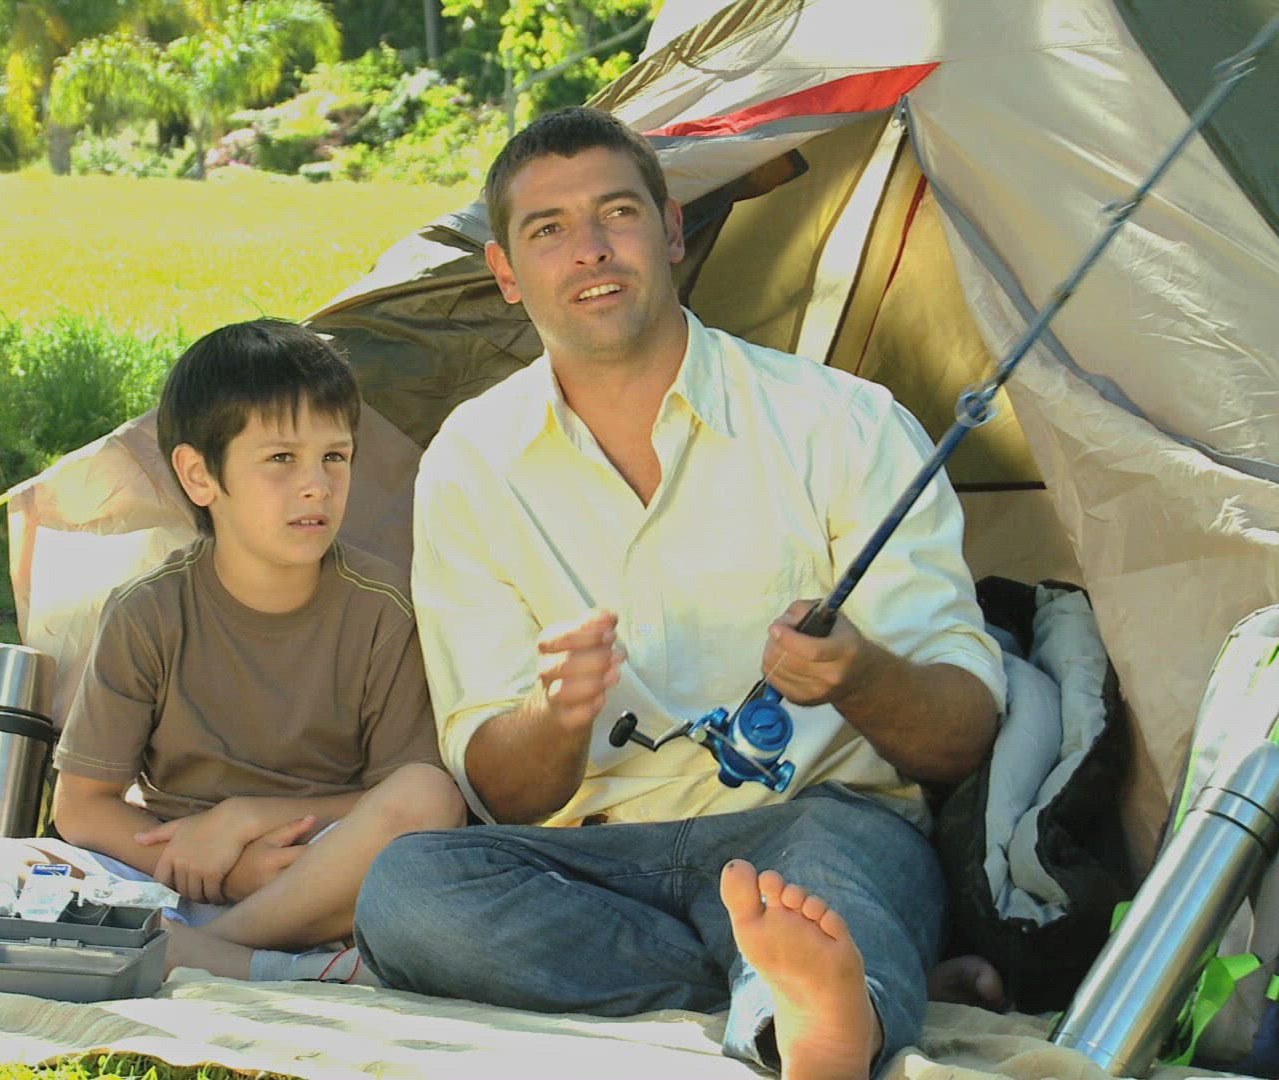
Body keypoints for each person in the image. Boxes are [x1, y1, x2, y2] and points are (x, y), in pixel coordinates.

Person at [351, 108, 1008, 1079]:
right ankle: (814, 994)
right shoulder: (468, 463)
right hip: (594, 864)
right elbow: (500, 789)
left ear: (669, 232)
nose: (590, 248)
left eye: (617, 213)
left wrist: (860, 675)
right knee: (409, 891)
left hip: (817, 822)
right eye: (548, 229)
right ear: (505, 272)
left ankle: (820, 1004)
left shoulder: (843, 423)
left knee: (827, 885)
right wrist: (552, 715)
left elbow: (962, 736)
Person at [51, 318, 468, 982]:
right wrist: (222, 867)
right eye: (281, 459)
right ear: (199, 475)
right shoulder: (148, 612)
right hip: (176, 871)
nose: (317, 485)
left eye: (335, 457)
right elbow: (80, 805)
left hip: (322, 870)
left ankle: (220, 953)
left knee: (430, 796)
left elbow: (402, 799)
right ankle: (272, 963)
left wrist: (247, 819)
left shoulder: (382, 609)